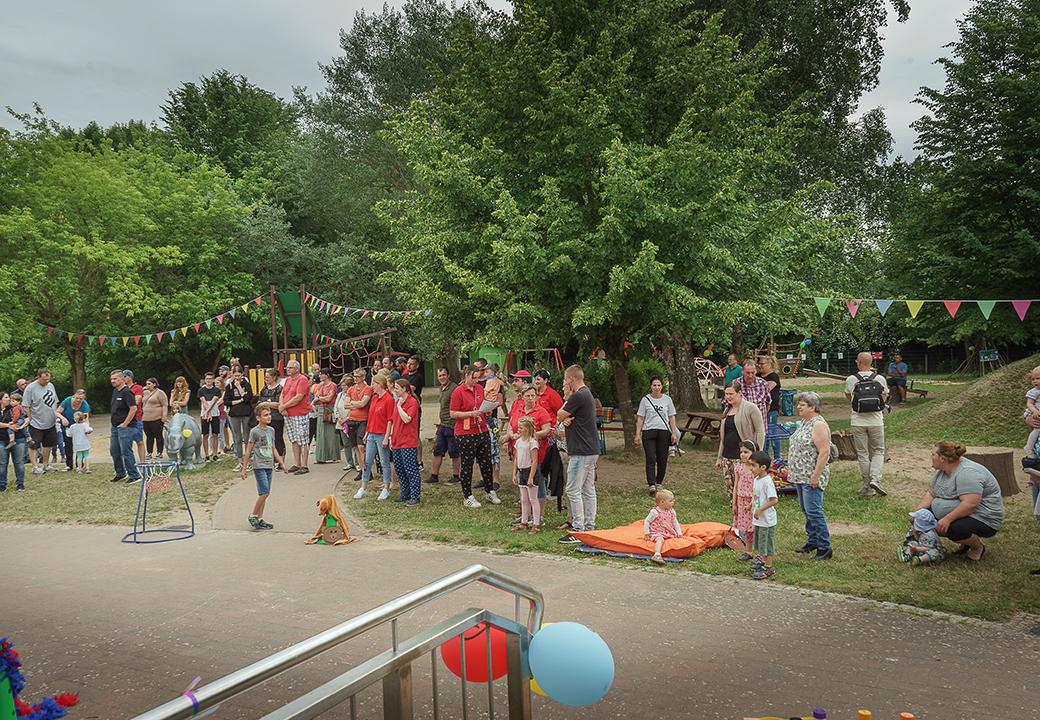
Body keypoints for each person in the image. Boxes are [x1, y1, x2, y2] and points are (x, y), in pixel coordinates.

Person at [914, 441, 1005, 563]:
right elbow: (931, 493)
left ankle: (977, 548)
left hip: (984, 518)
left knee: (954, 529)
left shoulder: (968, 473)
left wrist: (947, 519)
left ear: (943, 458)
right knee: (923, 519)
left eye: (933, 454)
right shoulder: (941, 470)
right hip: (964, 513)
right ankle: (961, 543)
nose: (931, 457)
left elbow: (971, 504)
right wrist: (918, 513)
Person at [557, 364, 600, 543]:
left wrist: (567, 399)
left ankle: (579, 530)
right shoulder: (587, 394)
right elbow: (567, 417)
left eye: (566, 379)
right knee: (588, 489)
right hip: (591, 449)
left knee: (573, 490)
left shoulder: (577, 395)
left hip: (581, 451)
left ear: (571, 379)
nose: (566, 383)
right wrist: (567, 419)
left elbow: (559, 414)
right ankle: (589, 526)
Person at [787, 391, 833, 560]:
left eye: (802, 404)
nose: (798, 407)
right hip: (801, 475)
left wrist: (816, 475)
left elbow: (824, 452)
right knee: (806, 510)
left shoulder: (818, 424)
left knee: (813, 511)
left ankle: (825, 547)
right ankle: (813, 540)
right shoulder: (805, 422)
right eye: (798, 404)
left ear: (812, 407)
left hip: (810, 476)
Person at [502, 383, 554, 526]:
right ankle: (526, 515)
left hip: (537, 454)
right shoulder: (518, 410)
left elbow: (547, 431)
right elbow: (511, 424)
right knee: (522, 483)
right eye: (528, 396)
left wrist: (530, 435)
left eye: (533, 395)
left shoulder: (541, 411)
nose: (531, 398)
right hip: (520, 453)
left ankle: (540, 517)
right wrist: (509, 436)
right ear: (522, 397)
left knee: (538, 485)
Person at [450, 364, 500, 508]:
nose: (477, 381)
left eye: (479, 378)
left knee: (486, 461)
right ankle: (467, 496)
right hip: (465, 432)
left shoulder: (479, 388)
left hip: (481, 429)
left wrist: (487, 410)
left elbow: (481, 404)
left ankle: (489, 490)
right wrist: (470, 414)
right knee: (467, 464)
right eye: (474, 378)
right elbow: (453, 413)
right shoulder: (458, 392)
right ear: (466, 376)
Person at [845, 351, 889, 497]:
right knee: (878, 451)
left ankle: (867, 486)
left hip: (858, 421)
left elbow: (849, 397)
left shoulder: (851, 379)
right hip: (876, 421)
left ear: (859, 363)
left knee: (863, 453)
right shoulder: (880, 379)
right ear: (871, 363)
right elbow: (883, 399)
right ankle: (875, 479)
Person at [716, 381, 766, 502]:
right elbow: (723, 436)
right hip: (727, 456)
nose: (728, 396)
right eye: (726, 394)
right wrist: (719, 457)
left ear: (740, 393)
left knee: (745, 489)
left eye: (731, 394)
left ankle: (748, 513)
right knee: (731, 488)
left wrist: (758, 454)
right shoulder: (727, 410)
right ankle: (734, 511)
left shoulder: (751, 408)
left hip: (743, 456)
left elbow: (760, 432)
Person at [241, 406, 289, 530]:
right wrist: (244, 468)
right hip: (259, 466)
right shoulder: (255, 431)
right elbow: (248, 450)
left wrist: (281, 463)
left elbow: (273, 448)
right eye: (265, 415)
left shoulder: (271, 430)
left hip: (269, 465)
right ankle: (253, 516)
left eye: (269, 414)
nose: (269, 417)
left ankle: (260, 519)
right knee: (264, 492)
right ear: (258, 418)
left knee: (265, 493)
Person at [634, 377, 679, 495]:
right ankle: (651, 484)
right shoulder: (645, 400)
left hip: (663, 431)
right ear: (650, 386)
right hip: (649, 431)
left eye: (659, 385)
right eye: (654, 385)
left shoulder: (667, 400)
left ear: (662, 387)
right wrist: (637, 434)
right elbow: (641, 417)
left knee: (662, 458)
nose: (656, 388)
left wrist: (673, 433)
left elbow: (671, 417)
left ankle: (659, 482)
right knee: (650, 457)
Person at [354, 374, 395, 500]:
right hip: (371, 433)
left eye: (373, 383)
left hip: (382, 434)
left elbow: (390, 420)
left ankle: (387, 488)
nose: (372, 386)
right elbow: (371, 417)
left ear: (380, 384)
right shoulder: (375, 398)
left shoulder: (388, 399)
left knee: (384, 462)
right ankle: (363, 487)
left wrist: (387, 437)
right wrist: (367, 433)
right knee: (367, 461)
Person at [743, 449, 779, 579]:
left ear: (763, 467)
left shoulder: (767, 482)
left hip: (767, 521)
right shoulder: (757, 479)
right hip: (759, 520)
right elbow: (756, 497)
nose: (751, 468)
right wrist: (750, 506)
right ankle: (762, 563)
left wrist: (759, 510)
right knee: (760, 543)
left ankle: (768, 567)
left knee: (767, 544)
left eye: (753, 465)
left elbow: (774, 500)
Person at [390, 378, 422, 506]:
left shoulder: (412, 402)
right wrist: (391, 438)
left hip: (408, 441)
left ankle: (415, 496)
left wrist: (399, 406)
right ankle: (405, 493)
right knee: (399, 469)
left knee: (410, 469)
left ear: (404, 389)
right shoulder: (397, 401)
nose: (395, 390)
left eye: (397, 388)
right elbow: (393, 421)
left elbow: (407, 419)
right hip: (397, 440)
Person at [427, 366, 460, 485]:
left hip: (452, 425)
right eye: (440, 375)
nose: (442, 378)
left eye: (444, 375)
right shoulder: (441, 389)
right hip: (442, 425)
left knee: (454, 452)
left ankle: (456, 476)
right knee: (437, 450)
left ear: (448, 375)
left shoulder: (455, 388)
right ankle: (434, 476)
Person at [22, 369, 59, 475]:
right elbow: (26, 405)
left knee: (48, 444)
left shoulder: (51, 385)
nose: (46, 381)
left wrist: (54, 414)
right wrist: (30, 418)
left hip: (50, 421)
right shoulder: (30, 388)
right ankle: (35, 467)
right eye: (44, 380)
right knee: (34, 445)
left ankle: (46, 464)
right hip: (36, 422)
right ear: (38, 377)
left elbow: (55, 401)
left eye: (48, 379)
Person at [510, 415, 543, 533]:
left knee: (533, 498)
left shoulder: (532, 443)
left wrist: (531, 477)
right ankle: (524, 522)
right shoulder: (518, 441)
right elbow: (516, 459)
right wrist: (514, 474)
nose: (518, 430)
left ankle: (536, 524)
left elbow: (535, 461)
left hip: (530, 471)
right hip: (521, 471)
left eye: (521, 428)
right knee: (524, 499)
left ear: (528, 429)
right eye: (518, 427)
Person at [278, 359, 312, 475]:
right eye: (287, 367)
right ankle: (297, 463)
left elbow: (299, 397)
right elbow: (282, 394)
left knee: (303, 440)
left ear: (297, 369)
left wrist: (284, 406)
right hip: (288, 414)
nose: (288, 369)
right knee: (293, 439)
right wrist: (282, 406)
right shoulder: (288, 380)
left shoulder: (302, 379)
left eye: (290, 367)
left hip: (300, 413)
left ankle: (304, 465)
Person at [109, 369, 141, 484]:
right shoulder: (115, 391)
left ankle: (134, 475)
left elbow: (133, 408)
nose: (113, 381)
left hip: (126, 427)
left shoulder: (127, 392)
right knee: (114, 450)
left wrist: (125, 424)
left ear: (122, 379)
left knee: (125, 451)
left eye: (115, 379)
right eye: (111, 379)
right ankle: (120, 473)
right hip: (115, 427)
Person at [342, 368, 372, 478]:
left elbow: (363, 404)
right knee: (355, 447)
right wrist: (357, 404)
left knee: (361, 447)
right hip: (352, 420)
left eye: (357, 376)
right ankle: (361, 470)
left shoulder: (367, 389)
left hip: (363, 420)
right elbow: (346, 404)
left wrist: (353, 403)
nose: (355, 378)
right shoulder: (351, 389)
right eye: (354, 376)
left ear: (363, 377)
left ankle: (366, 469)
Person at [222, 367, 254, 471]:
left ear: (242, 374)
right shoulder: (229, 386)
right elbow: (226, 401)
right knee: (238, 438)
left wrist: (239, 387)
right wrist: (240, 400)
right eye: (235, 376)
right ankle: (240, 461)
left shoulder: (246, 384)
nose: (237, 378)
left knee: (247, 436)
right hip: (234, 414)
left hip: (246, 413)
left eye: (239, 375)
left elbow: (248, 398)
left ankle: (248, 461)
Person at [732, 440, 758, 563]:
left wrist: (752, 503)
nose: (742, 455)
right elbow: (735, 486)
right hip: (741, 502)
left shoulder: (756, 469)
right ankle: (748, 552)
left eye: (746, 452)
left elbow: (758, 488)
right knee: (747, 528)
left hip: (753, 502)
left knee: (756, 528)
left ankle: (760, 553)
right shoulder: (738, 467)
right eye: (741, 452)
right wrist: (734, 503)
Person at [643, 488, 683, 564]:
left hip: (667, 531)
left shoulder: (672, 511)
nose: (673, 502)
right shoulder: (655, 512)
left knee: (673, 540)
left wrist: (679, 533)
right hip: (657, 531)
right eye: (670, 501)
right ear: (662, 502)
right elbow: (647, 521)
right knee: (660, 539)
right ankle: (657, 554)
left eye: (673, 500)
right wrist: (647, 533)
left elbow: (675, 522)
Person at [55, 389, 90, 470]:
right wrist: (63, 418)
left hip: (79, 429)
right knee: (68, 445)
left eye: (80, 399)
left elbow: (86, 419)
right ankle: (69, 465)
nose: (78, 400)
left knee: (79, 446)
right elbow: (57, 412)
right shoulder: (67, 401)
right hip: (67, 427)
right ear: (73, 396)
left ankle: (79, 465)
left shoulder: (85, 405)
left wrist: (87, 429)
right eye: (76, 398)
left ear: (83, 399)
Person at [254, 369, 285, 459]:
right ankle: (269, 459)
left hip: (277, 417)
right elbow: (259, 401)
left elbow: (278, 404)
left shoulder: (280, 389)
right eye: (265, 377)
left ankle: (280, 460)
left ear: (274, 377)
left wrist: (265, 403)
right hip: (265, 418)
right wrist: (265, 404)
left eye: (267, 377)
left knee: (278, 438)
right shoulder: (264, 389)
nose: (265, 379)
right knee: (266, 439)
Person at [311, 369, 340, 465]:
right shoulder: (320, 386)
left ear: (327, 375)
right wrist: (320, 399)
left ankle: (334, 456)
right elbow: (316, 399)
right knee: (320, 433)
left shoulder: (333, 385)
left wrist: (319, 399)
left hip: (330, 409)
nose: (319, 376)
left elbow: (329, 398)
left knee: (332, 433)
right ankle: (321, 457)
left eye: (321, 374)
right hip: (321, 409)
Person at [0, 392, 27, 491]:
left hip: (18, 439)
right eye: (6, 398)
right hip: (2, 440)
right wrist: (8, 425)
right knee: (2, 463)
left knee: (19, 462)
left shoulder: (14, 408)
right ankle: (2, 484)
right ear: (0, 400)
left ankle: (20, 483)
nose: (9, 399)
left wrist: (22, 425)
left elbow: (26, 417)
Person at [757, 356, 782, 461]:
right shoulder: (757, 376)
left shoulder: (773, 376)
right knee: (762, 433)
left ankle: (777, 457)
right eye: (759, 364)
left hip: (772, 409)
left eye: (762, 364)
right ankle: (764, 456)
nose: (759, 366)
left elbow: (766, 388)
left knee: (772, 432)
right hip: (759, 410)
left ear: (769, 365)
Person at [403, 356, 425, 469]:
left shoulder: (418, 377)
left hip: (414, 409)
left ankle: (419, 461)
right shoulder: (404, 376)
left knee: (415, 435)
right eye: (408, 363)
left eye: (412, 364)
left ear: (417, 365)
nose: (409, 365)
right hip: (403, 408)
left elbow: (408, 389)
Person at [141, 379, 168, 460]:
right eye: (146, 384)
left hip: (156, 417)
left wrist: (164, 416)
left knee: (158, 435)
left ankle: (159, 452)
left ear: (154, 384)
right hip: (145, 418)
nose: (147, 385)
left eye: (149, 384)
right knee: (149, 436)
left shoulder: (160, 393)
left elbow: (164, 405)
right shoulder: (145, 393)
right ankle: (149, 452)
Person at [197, 372, 222, 463]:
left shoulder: (216, 390)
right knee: (205, 435)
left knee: (215, 434)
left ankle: (215, 454)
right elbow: (203, 401)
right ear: (205, 379)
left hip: (214, 414)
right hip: (204, 415)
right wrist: (207, 414)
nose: (208, 380)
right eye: (207, 379)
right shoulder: (201, 390)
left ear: (213, 380)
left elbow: (213, 401)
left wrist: (209, 413)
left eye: (210, 379)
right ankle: (207, 455)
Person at [123, 370, 146, 464]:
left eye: (124, 377)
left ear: (130, 377)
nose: (122, 379)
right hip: (123, 419)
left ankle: (142, 463)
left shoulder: (138, 388)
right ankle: (125, 465)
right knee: (124, 443)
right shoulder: (121, 389)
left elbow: (136, 402)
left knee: (139, 441)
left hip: (136, 419)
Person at [1023, 365, 1040, 457]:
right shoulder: (1034, 392)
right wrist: (1033, 411)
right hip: (1036, 412)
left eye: (1038, 378)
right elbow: (1029, 403)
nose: (1035, 381)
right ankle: (1029, 446)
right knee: (1037, 428)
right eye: (1033, 379)